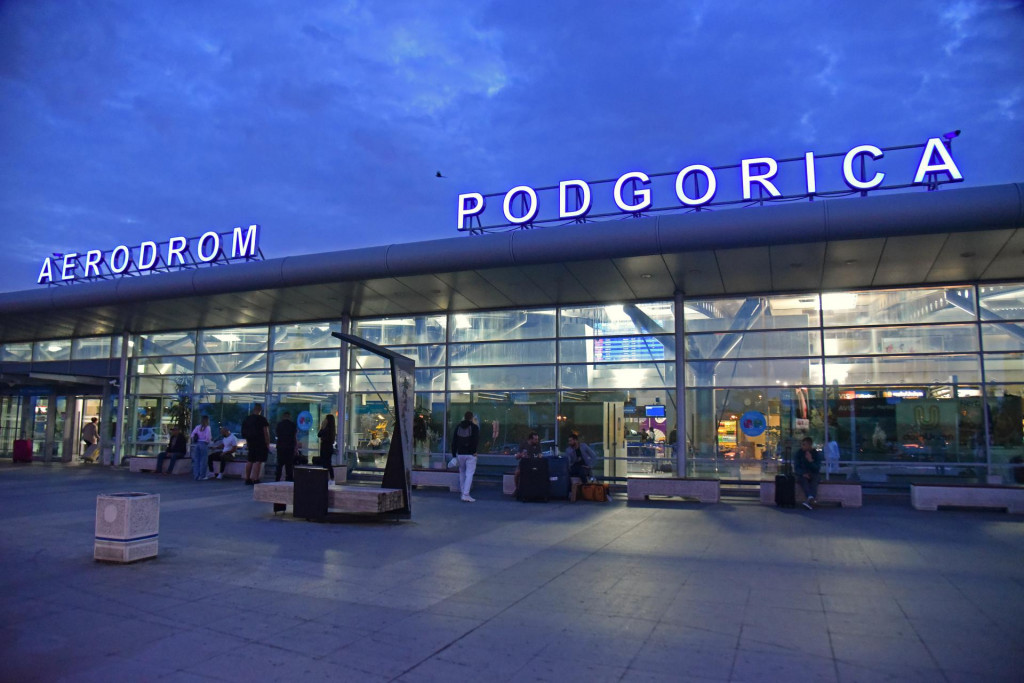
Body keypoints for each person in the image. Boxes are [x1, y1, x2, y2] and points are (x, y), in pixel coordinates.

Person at [450, 411, 480, 503]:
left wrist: (454, 455)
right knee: (469, 474)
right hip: (470, 454)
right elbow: (476, 440)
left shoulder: (458, 427)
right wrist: (474, 451)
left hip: (460, 454)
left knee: (462, 473)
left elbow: (454, 441)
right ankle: (466, 495)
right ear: (472, 418)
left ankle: (463, 492)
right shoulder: (474, 427)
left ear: (464, 417)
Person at [241, 404, 270, 485]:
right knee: (258, 461)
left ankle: (247, 478)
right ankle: (255, 478)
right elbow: (266, 431)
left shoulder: (247, 419)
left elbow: (244, 432)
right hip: (260, 442)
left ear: (253, 409)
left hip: (250, 442)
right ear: (260, 410)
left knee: (250, 460)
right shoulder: (262, 419)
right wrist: (267, 442)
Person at [794, 437, 823, 510]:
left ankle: (810, 499)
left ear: (809, 445)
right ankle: (811, 499)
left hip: (813, 473)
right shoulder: (799, 453)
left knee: (815, 480)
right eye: (802, 444)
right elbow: (796, 467)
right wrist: (803, 473)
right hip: (803, 474)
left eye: (804, 445)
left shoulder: (815, 454)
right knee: (803, 480)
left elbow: (817, 468)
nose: (802, 446)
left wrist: (810, 460)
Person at [514, 431, 542, 495]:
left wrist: (539, 456)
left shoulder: (538, 445)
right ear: (530, 439)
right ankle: (517, 489)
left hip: (534, 464)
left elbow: (540, 455)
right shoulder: (523, 444)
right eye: (535, 439)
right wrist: (522, 454)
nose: (537, 441)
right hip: (524, 463)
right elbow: (517, 457)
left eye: (537, 439)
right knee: (517, 473)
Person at [275, 411, 298, 482]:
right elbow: (294, 437)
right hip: (290, 447)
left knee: (279, 464)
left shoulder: (279, 425)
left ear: (283, 416)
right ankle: (289, 478)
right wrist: (295, 447)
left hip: (280, 446)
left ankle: (277, 478)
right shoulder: (292, 425)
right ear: (289, 417)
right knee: (289, 464)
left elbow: (277, 434)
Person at [189, 415, 213, 481]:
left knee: (196, 460)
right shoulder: (208, 428)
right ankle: (202, 475)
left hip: (197, 444)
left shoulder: (197, 427)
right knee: (203, 460)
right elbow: (208, 438)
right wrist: (208, 441)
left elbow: (192, 435)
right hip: (204, 444)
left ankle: (196, 475)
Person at [317, 414, 337, 483]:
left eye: (326, 418)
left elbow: (320, 434)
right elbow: (319, 435)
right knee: (327, 463)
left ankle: (329, 478)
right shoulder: (331, 429)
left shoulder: (328, 429)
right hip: (327, 447)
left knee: (327, 463)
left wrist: (322, 427)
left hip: (326, 447)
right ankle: (329, 477)